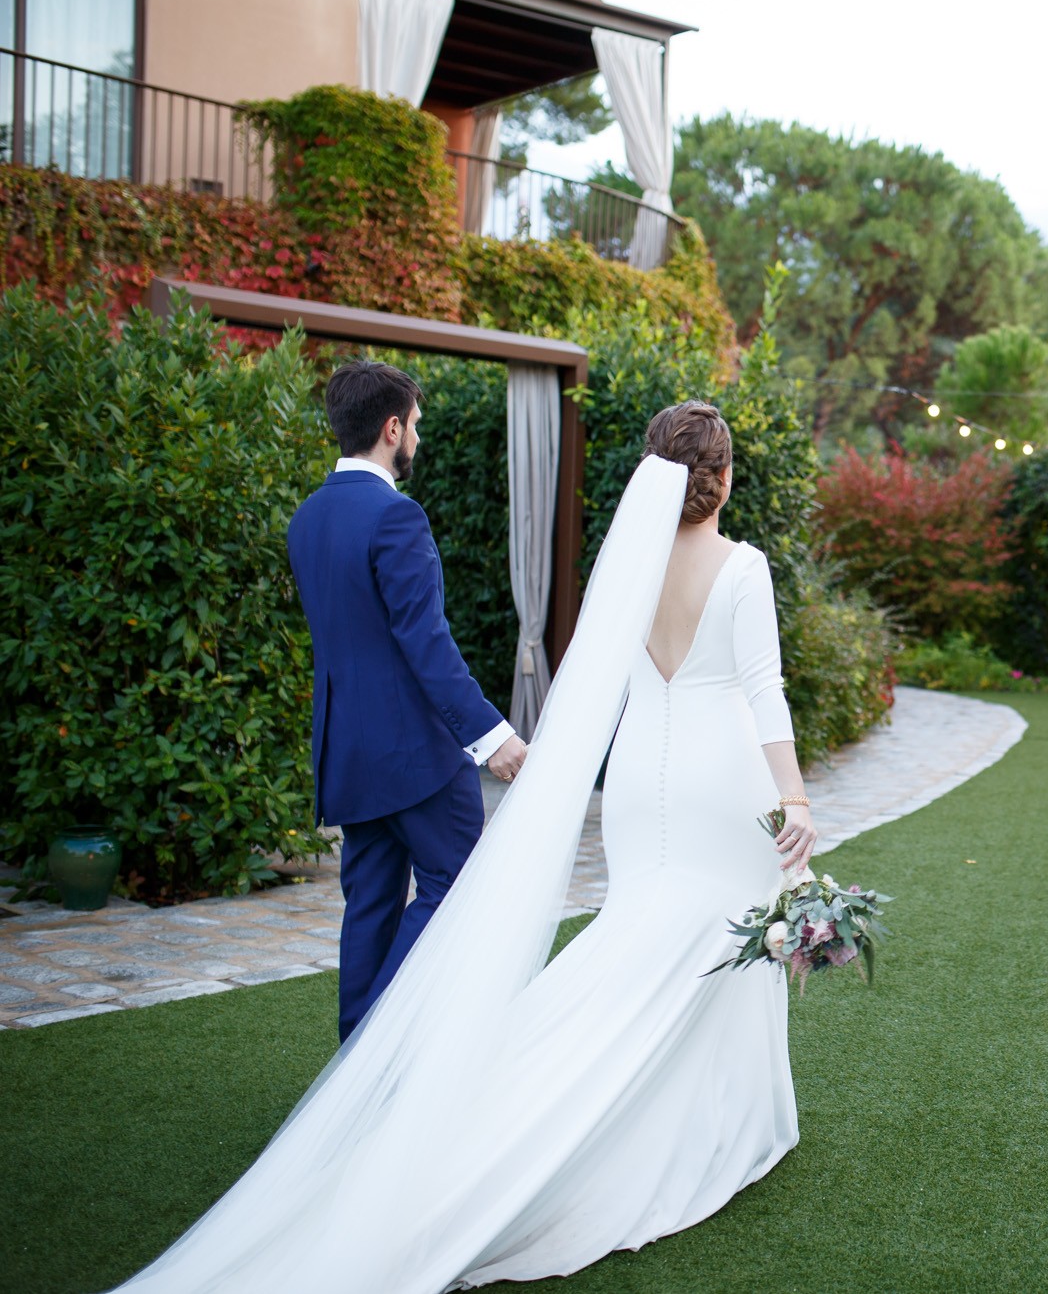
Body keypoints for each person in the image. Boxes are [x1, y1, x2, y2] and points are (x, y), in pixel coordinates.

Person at [111, 403, 820, 1292]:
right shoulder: (743, 565)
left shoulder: (630, 562)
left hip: (639, 780)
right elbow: (765, 688)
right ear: (725, 476)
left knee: (638, 933)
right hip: (723, 780)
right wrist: (792, 792)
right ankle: (722, 1117)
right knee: (723, 934)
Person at [286, 360, 528, 1041]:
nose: (417, 438)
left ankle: (351, 1074)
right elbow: (425, 643)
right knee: (458, 886)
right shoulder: (397, 516)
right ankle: (376, 1041)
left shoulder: (307, 520)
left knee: (369, 905)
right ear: (392, 428)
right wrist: (492, 737)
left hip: (347, 752)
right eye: (415, 425)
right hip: (417, 756)